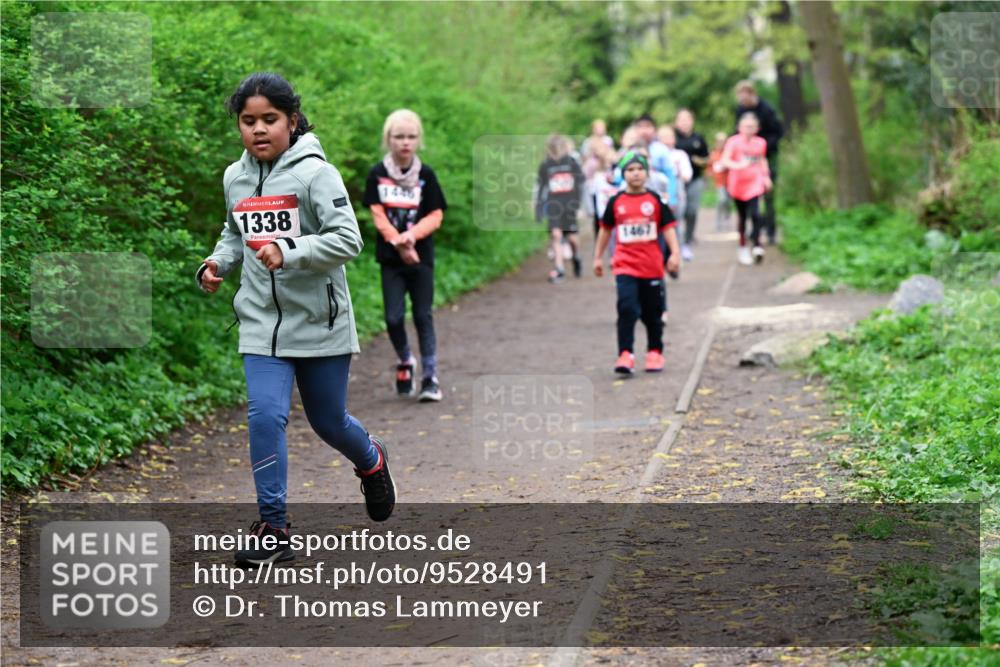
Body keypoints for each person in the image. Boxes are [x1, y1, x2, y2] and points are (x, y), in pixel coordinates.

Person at [197, 72, 395, 566]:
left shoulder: (315, 174)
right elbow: (233, 233)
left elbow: (348, 240)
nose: (259, 130)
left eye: (270, 119)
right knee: (265, 416)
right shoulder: (234, 177)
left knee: (329, 422)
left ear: (291, 120)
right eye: (248, 121)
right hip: (261, 320)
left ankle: (371, 460)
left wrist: (291, 250)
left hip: (319, 321)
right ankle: (274, 527)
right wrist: (217, 263)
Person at [362, 109, 448, 402]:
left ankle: (430, 378)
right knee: (393, 317)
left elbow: (436, 214)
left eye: (411, 137)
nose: (405, 143)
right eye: (399, 137)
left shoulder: (427, 175)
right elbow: (377, 213)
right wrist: (398, 242)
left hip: (421, 258)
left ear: (418, 140)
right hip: (391, 259)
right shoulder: (377, 174)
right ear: (388, 139)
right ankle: (406, 359)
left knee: (423, 315)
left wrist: (412, 237)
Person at [593, 151, 680, 375]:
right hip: (625, 265)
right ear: (624, 175)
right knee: (627, 308)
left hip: (651, 266)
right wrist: (598, 257)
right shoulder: (616, 202)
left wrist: (675, 255)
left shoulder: (655, 201)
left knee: (653, 313)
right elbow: (605, 231)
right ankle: (625, 354)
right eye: (630, 170)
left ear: (647, 173)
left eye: (640, 169)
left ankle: (654, 352)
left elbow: (668, 229)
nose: (636, 174)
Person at [734, 80, 784, 244]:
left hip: (766, 155)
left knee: (767, 196)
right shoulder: (740, 110)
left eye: (744, 96)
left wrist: (761, 147)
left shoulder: (766, 109)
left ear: (752, 94)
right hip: (746, 159)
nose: (742, 100)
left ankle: (770, 231)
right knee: (747, 196)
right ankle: (756, 227)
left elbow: (778, 132)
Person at [721, 112, 772, 265]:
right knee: (742, 217)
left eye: (752, 126)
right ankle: (742, 247)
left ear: (757, 128)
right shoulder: (733, 142)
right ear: (739, 127)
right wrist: (738, 165)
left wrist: (766, 177)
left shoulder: (760, 142)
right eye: (746, 126)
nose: (749, 129)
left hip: (754, 183)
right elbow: (725, 160)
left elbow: (762, 160)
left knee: (756, 214)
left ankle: (757, 245)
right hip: (737, 185)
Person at [537, 134, 585, 282]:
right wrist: (539, 208)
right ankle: (559, 269)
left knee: (572, 237)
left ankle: (576, 256)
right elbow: (541, 187)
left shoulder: (572, 163)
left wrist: (580, 205)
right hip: (553, 205)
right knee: (556, 235)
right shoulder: (545, 165)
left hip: (569, 204)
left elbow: (580, 184)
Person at [673, 109, 710, 261]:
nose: (684, 122)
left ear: (692, 121)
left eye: (687, 119)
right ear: (676, 122)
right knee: (678, 212)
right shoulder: (672, 138)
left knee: (692, 211)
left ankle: (688, 238)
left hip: (695, 179)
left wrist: (697, 161)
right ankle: (678, 241)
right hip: (677, 181)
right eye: (681, 119)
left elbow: (707, 158)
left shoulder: (698, 138)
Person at [707, 132, 732, 231]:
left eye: (723, 141)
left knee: (728, 202)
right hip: (719, 182)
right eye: (719, 141)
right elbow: (709, 167)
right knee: (722, 200)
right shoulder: (713, 154)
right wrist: (711, 172)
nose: (721, 143)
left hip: (730, 182)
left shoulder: (729, 153)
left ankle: (726, 218)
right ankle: (718, 221)